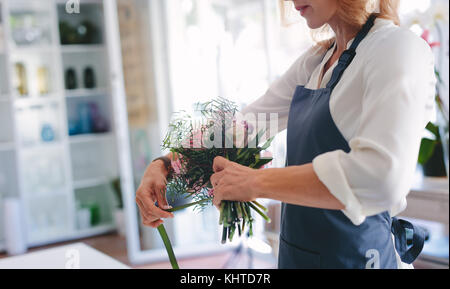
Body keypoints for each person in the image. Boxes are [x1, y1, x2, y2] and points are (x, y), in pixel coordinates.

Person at [136, 0, 436, 268]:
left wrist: (255, 183)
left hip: (359, 258)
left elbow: (381, 178)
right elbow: (245, 126)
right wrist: (165, 165)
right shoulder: (318, 60)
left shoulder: (397, 48)